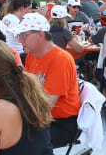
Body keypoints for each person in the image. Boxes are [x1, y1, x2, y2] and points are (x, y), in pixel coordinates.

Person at [15, 13, 81, 147]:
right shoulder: (32, 55)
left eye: (23, 36)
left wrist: (9, 116)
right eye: (19, 36)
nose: (20, 41)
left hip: (60, 123)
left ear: (40, 35)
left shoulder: (60, 59)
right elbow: (24, 88)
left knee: (11, 137)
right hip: (43, 118)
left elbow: (46, 105)